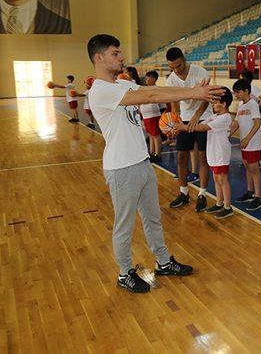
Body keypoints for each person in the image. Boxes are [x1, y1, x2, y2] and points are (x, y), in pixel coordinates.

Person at [86, 34, 222, 293]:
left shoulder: (119, 85)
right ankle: (124, 273)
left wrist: (190, 92)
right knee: (124, 223)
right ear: (99, 58)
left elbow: (156, 91)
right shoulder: (101, 90)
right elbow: (149, 97)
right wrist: (194, 92)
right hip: (121, 167)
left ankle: (163, 262)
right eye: (116, 53)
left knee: (153, 218)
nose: (122, 57)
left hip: (141, 162)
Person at [164, 47, 212, 212]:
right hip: (184, 118)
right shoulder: (171, 80)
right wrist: (175, 121)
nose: (176, 70)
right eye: (173, 67)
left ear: (183, 59)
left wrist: (196, 115)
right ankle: (183, 192)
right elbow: (174, 102)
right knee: (181, 157)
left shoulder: (200, 72)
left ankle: (202, 194)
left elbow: (208, 97)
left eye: (178, 65)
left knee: (203, 157)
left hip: (204, 116)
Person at [190, 87, 234, 220]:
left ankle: (227, 207)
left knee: (222, 179)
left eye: (215, 102)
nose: (213, 105)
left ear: (224, 104)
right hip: (213, 152)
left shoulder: (225, 118)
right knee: (216, 179)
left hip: (221, 153)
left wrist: (183, 127)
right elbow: (200, 124)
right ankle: (219, 203)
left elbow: (202, 127)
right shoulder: (214, 116)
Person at [231, 79, 261, 212]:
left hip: (253, 142)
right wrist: (228, 134)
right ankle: (250, 192)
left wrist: (248, 139)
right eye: (235, 92)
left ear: (246, 91)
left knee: (254, 169)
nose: (236, 95)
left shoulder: (253, 104)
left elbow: (257, 123)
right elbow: (236, 123)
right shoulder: (241, 105)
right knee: (247, 168)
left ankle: (258, 197)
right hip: (245, 142)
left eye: (237, 92)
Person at [140, 71, 164, 163]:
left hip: (153, 115)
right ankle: (151, 152)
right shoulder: (146, 88)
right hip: (146, 115)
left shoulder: (156, 89)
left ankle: (158, 154)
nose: (146, 79)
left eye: (148, 77)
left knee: (156, 135)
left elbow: (161, 103)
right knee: (150, 135)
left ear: (153, 79)